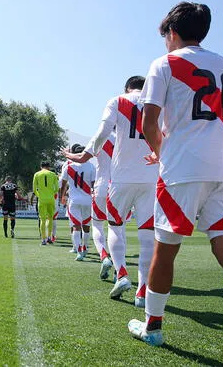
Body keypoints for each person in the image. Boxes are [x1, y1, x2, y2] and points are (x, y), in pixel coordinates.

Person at [126, 2, 223, 367]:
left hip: (181, 170)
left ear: (172, 32)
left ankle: (154, 326)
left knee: (167, 247)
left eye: (165, 36)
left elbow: (148, 125)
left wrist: (164, 153)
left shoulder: (163, 64)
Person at [65, 76, 158, 307]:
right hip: (150, 177)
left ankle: (122, 273)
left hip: (121, 178)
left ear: (127, 88)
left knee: (115, 227)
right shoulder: (158, 101)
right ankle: (142, 292)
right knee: (147, 237)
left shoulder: (117, 101)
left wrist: (83, 155)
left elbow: (103, 131)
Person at [60, 145, 96, 261]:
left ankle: (79, 251)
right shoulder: (91, 166)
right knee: (86, 227)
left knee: (76, 226)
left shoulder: (69, 167)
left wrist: (62, 197)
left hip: (74, 200)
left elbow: (63, 184)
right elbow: (93, 185)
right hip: (87, 200)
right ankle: (85, 248)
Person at [91, 133, 115, 279]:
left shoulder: (101, 136)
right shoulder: (127, 136)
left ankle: (104, 256)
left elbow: (83, 156)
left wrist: (68, 154)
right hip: (120, 186)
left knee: (97, 225)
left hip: (101, 186)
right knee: (118, 228)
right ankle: (119, 270)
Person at [33, 161, 59, 245]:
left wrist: (39, 195)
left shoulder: (37, 174)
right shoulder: (53, 174)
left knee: (42, 219)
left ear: (41, 166)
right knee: (50, 218)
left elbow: (34, 189)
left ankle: (43, 239)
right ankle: (49, 237)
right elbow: (57, 188)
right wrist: (52, 194)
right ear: (49, 167)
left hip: (42, 199)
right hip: (51, 199)